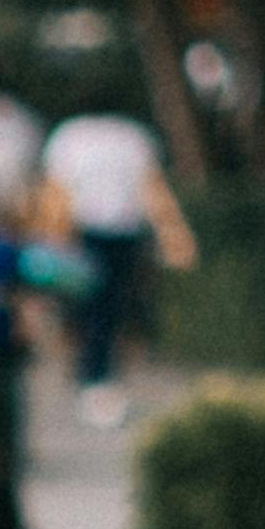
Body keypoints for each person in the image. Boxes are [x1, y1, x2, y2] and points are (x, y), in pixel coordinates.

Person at [36, 99, 197, 417]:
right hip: (118, 232)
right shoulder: (134, 136)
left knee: (94, 307)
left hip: (88, 232)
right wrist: (174, 234)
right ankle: (95, 375)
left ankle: (94, 375)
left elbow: (56, 192)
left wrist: (50, 236)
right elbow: (153, 189)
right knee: (107, 307)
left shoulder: (70, 135)